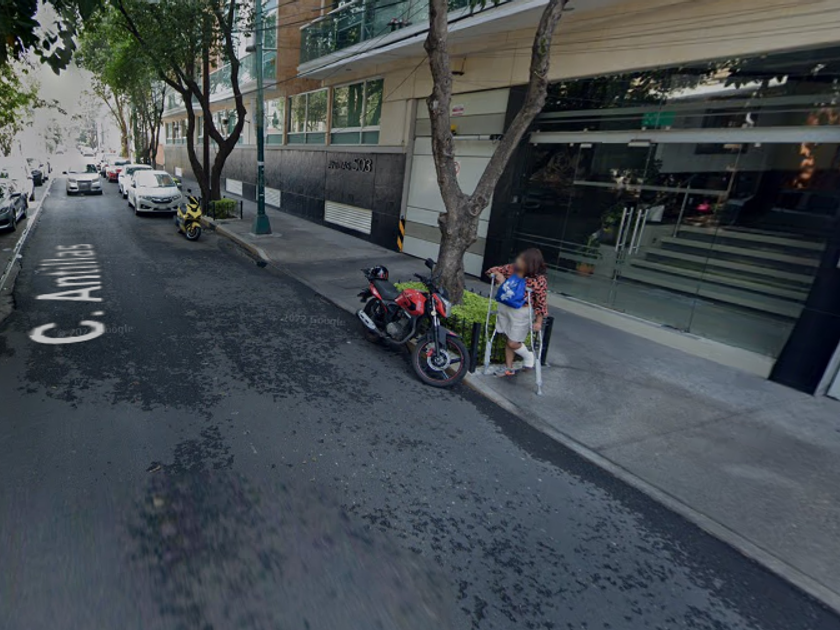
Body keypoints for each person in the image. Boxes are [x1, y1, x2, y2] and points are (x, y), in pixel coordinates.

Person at [486, 248, 549, 377]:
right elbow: (490, 271)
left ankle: (528, 356)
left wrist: (538, 321)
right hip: (505, 307)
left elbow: (541, 302)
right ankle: (508, 367)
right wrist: (498, 275)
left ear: (530, 263)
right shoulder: (512, 269)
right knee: (509, 337)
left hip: (521, 312)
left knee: (513, 342)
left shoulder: (539, 280)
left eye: (522, 259)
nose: (518, 260)